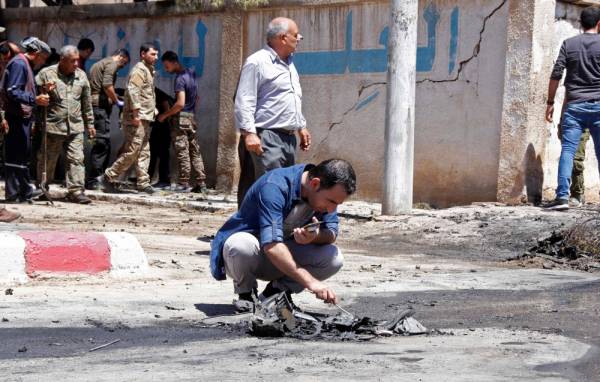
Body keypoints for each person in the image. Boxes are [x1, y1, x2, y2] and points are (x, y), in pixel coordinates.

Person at [210, 159, 356, 312]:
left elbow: (331, 233)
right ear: (314, 184)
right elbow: (272, 246)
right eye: (331, 201)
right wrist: (311, 282)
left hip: (284, 257)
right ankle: (246, 295)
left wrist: (315, 236)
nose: (332, 210)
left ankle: (274, 295)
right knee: (240, 245)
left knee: (333, 257)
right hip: (251, 256)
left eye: (337, 204)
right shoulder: (274, 186)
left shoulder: (323, 194)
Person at [235, 17, 311, 206]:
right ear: (283, 38)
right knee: (271, 187)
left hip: (288, 138)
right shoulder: (257, 62)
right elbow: (244, 99)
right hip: (266, 136)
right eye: (296, 35)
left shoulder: (290, 64)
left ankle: (262, 228)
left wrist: (301, 126)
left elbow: (292, 97)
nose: (299, 38)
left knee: (284, 186)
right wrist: (249, 133)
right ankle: (262, 230)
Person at [545, 6, 600, 210]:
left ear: (580, 23)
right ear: (599, 24)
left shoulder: (569, 44)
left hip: (574, 106)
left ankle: (562, 197)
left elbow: (556, 74)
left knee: (568, 151)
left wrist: (550, 102)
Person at [35, 45, 95, 204]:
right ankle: (42, 188)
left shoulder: (81, 76)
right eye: (72, 61)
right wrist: (44, 93)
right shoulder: (46, 74)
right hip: (53, 126)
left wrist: (90, 124)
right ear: (62, 60)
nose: (76, 64)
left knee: (76, 159)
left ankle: (76, 191)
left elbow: (86, 103)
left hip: (75, 126)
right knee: (48, 159)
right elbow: (34, 97)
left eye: (77, 60)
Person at [101, 42, 158, 194]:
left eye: (156, 54)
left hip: (146, 116)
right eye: (153, 54)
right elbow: (133, 92)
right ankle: (108, 176)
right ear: (143, 54)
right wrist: (136, 114)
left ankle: (143, 182)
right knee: (133, 150)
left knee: (144, 150)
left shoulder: (149, 70)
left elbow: (146, 93)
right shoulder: (139, 70)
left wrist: (153, 109)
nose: (156, 57)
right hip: (136, 117)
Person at [0, 37, 50, 203]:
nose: (43, 62)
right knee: (16, 156)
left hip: (22, 117)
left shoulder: (23, 64)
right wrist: (34, 100)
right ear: (36, 53)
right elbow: (12, 91)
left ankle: (22, 191)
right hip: (15, 117)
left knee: (20, 156)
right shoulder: (20, 64)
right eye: (43, 58)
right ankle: (17, 192)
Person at [157, 51, 207, 193]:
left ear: (174, 62)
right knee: (195, 150)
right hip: (191, 117)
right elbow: (197, 98)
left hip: (181, 119)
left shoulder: (180, 79)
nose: (166, 70)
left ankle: (184, 183)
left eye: (167, 66)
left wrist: (164, 115)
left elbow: (179, 103)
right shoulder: (191, 74)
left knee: (182, 151)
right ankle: (201, 182)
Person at [85, 49, 130, 190]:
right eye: (124, 63)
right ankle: (94, 179)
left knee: (102, 142)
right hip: (99, 107)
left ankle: (96, 178)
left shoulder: (99, 64)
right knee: (102, 143)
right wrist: (116, 100)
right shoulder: (112, 64)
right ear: (121, 57)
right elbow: (107, 85)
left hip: (95, 106)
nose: (122, 66)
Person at [148, 87, 173, 189]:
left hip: (163, 127)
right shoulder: (148, 92)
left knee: (163, 154)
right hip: (157, 126)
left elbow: (167, 105)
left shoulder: (155, 91)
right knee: (151, 152)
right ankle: (147, 177)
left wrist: (163, 117)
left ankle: (164, 180)